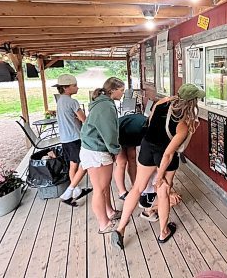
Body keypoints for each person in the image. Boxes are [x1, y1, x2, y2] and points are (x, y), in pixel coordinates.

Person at [111, 83, 204, 249]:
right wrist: (159, 177)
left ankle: (120, 229)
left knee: (137, 188)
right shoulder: (184, 124)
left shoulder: (161, 103)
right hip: (164, 154)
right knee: (163, 191)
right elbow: (168, 154)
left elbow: (150, 121)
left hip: (147, 146)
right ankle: (163, 232)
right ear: (193, 102)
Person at [80, 77, 125, 234]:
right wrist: (115, 150)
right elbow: (109, 132)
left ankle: (110, 212)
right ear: (113, 90)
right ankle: (103, 224)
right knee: (99, 189)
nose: (123, 93)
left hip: (92, 148)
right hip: (96, 151)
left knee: (104, 187)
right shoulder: (106, 106)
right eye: (121, 90)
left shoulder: (103, 102)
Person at [53, 74, 92, 205]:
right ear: (65, 88)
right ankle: (69, 192)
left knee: (72, 165)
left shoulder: (60, 101)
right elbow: (84, 120)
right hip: (75, 137)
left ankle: (76, 190)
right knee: (84, 163)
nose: (77, 87)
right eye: (74, 85)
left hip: (65, 138)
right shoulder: (72, 102)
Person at [115, 113, 148, 200]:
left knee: (132, 158)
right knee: (122, 162)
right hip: (117, 133)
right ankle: (122, 192)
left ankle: (135, 185)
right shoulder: (143, 127)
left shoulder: (148, 128)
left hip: (131, 134)